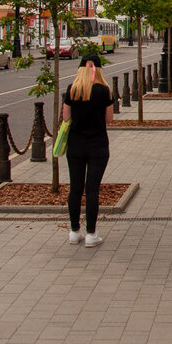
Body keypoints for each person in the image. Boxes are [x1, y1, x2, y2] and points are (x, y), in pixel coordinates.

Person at [61, 54, 113, 247]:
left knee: (75, 189)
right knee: (92, 190)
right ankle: (91, 234)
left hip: (75, 145)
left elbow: (66, 117)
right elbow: (109, 119)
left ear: (81, 69)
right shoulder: (104, 90)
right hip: (98, 145)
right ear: (98, 70)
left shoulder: (72, 89)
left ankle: (74, 231)